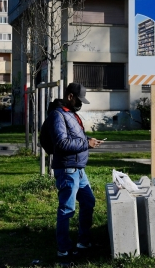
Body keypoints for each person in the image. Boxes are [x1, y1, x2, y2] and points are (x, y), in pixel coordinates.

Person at [43, 82, 103, 266]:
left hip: (78, 169)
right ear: (70, 96)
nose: (81, 104)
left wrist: (87, 140)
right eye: (79, 100)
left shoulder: (71, 114)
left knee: (88, 201)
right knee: (67, 209)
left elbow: (74, 138)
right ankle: (64, 250)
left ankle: (83, 241)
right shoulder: (58, 115)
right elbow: (61, 143)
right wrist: (87, 144)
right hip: (68, 169)